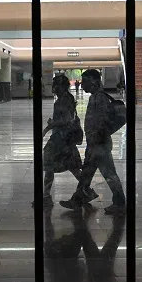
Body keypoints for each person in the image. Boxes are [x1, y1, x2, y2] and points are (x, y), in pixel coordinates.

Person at [61, 69, 126, 215]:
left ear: (95, 82)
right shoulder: (95, 97)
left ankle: (120, 203)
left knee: (109, 175)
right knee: (86, 175)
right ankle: (77, 200)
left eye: (85, 82)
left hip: (99, 145)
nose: (83, 85)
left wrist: (95, 142)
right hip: (95, 144)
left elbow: (101, 122)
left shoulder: (99, 98)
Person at [34, 74, 91, 208]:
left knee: (49, 164)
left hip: (60, 139)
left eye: (55, 85)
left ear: (62, 86)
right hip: (65, 139)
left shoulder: (63, 100)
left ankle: (46, 197)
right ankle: (87, 191)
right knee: (73, 167)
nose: (53, 88)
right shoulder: (66, 98)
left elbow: (67, 120)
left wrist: (51, 125)